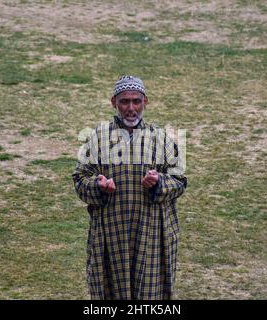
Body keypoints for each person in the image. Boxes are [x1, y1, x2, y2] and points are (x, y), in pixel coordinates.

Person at [72, 75, 187, 300]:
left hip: (152, 235)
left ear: (146, 102)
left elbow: (180, 181)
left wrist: (159, 183)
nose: (131, 108)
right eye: (125, 101)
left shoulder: (161, 138)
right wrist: (98, 185)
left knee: (150, 296)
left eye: (136, 101)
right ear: (113, 102)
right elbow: (79, 180)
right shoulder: (98, 138)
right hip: (111, 236)